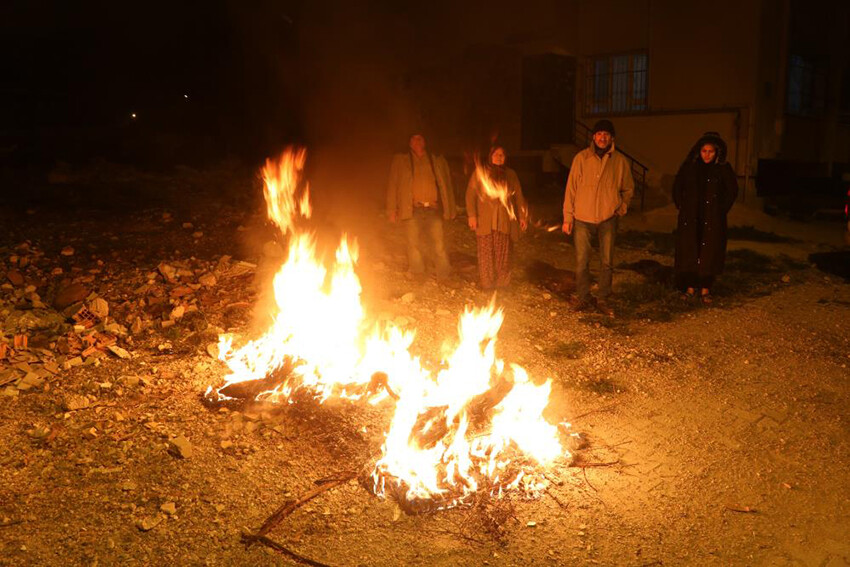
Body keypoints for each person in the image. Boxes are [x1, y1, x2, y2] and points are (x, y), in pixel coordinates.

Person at [562, 119, 634, 316]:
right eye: (599, 134)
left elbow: (628, 188)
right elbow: (571, 189)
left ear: (612, 138)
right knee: (581, 260)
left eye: (606, 134)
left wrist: (623, 205)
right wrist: (568, 217)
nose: (603, 137)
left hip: (607, 218)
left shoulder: (619, 161)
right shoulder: (581, 159)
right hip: (583, 218)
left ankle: (603, 298)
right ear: (593, 136)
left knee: (606, 261)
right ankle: (583, 297)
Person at [672, 131, 738, 303]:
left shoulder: (723, 169)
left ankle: (706, 289)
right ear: (698, 151)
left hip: (712, 218)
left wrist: (720, 210)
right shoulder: (690, 167)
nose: (707, 155)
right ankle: (690, 287)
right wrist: (682, 206)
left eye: (711, 151)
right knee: (690, 251)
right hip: (691, 217)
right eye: (704, 151)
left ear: (717, 152)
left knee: (710, 252)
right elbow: (678, 187)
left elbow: (731, 191)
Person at [387, 133, 457, 280]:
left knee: (439, 244)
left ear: (425, 142)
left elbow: (447, 184)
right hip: (412, 209)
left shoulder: (436, 159)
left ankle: (444, 274)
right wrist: (392, 210)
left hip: (433, 209)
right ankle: (417, 272)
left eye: (420, 138)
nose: (417, 141)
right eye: (413, 138)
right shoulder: (401, 160)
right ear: (409, 142)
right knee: (413, 244)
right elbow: (393, 185)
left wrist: (450, 208)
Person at [465, 145, 528, 289]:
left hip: (504, 222)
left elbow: (519, 196)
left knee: (503, 256)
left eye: (502, 155)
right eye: (496, 154)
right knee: (486, 255)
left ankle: (502, 286)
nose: (499, 157)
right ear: (490, 156)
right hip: (485, 221)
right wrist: (472, 215)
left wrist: (522, 216)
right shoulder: (481, 173)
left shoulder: (511, 174)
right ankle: (487, 284)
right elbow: (470, 195)